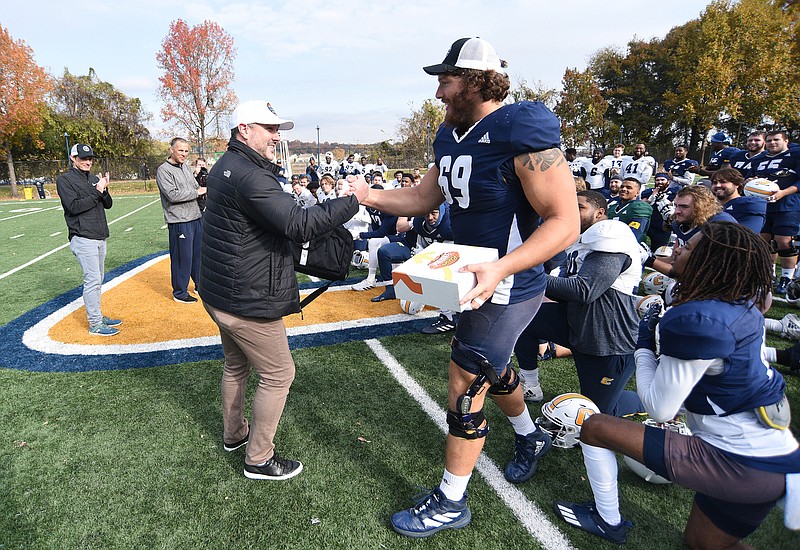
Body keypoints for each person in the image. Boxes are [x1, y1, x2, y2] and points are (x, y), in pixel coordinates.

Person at [340, 37, 579, 538]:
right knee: (488, 365)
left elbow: (564, 222)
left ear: (474, 80)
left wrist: (502, 268)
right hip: (471, 276)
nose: (439, 93)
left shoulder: (521, 128)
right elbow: (422, 196)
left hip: (509, 281)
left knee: (464, 380)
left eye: (445, 81)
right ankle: (530, 434)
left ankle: (451, 500)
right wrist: (370, 195)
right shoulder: (451, 134)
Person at [553, 222, 799, 547]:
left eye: (689, 247)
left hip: (738, 461)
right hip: (777, 455)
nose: (678, 249)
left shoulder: (700, 321)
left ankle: (606, 519)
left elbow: (659, 407)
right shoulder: (741, 301)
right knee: (701, 543)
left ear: (709, 261)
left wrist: (643, 343)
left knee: (596, 427)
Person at [200, 100, 366, 481]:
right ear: (244, 129)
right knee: (278, 374)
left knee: (236, 364)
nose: (277, 136)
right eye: (269, 128)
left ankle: (234, 433)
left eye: (278, 129)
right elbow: (300, 224)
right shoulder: (249, 174)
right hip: (246, 296)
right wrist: (356, 198)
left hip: (221, 291)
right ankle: (258, 458)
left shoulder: (227, 165)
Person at [515, 191, 644, 415]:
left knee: (597, 415)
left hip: (606, 339)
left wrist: (525, 275)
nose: (572, 211)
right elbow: (564, 290)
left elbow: (585, 291)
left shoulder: (611, 232)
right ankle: (530, 385)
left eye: (580, 207)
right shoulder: (581, 238)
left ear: (600, 213)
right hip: (578, 323)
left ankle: (646, 403)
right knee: (522, 317)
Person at [56, 143, 121, 336]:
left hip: (99, 235)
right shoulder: (65, 180)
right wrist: (97, 191)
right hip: (83, 237)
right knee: (92, 280)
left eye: (90, 158)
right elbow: (73, 207)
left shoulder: (94, 179)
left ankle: (98, 316)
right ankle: (95, 323)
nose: (88, 162)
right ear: (73, 158)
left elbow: (107, 204)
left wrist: (104, 189)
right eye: (83, 158)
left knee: (98, 279)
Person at [748, 129, 800, 295]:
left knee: (784, 242)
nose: (772, 143)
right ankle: (768, 275)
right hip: (762, 205)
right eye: (769, 140)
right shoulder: (759, 159)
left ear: (786, 141)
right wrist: (749, 181)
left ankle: (787, 278)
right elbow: (750, 177)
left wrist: (783, 193)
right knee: (764, 241)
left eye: (776, 140)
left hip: (787, 204)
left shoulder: (795, 155)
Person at [156, 137, 206, 304]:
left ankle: (200, 286)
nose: (184, 154)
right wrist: (197, 193)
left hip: (195, 216)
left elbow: (194, 186)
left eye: (186, 151)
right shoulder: (163, 170)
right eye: (181, 150)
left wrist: (198, 190)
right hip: (179, 221)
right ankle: (180, 292)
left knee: (198, 255)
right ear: (172, 150)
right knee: (182, 258)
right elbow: (172, 195)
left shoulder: (185, 167)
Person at [370, 203, 453, 302]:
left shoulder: (450, 224)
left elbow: (454, 249)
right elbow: (415, 235)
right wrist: (419, 252)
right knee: (384, 252)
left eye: (434, 213)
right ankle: (390, 289)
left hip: (444, 254)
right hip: (418, 247)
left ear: (442, 212)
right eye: (427, 214)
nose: (430, 217)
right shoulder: (419, 221)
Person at [710, 167, 766, 234]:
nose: (718, 185)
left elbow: (746, 236)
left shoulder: (749, 204)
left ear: (737, 184)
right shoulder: (711, 206)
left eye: (723, 182)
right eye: (715, 182)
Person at [606, 177, 652, 242]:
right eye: (622, 187)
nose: (624, 189)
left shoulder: (640, 207)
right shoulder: (612, 207)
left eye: (629, 187)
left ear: (637, 192)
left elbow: (635, 234)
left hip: (630, 247)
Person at [641, 172, 677, 251]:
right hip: (648, 222)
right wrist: (652, 197)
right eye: (657, 180)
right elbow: (643, 204)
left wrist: (664, 200)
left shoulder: (674, 192)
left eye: (662, 180)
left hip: (662, 224)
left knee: (659, 249)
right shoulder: (648, 191)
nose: (660, 182)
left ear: (668, 181)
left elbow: (675, 204)